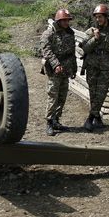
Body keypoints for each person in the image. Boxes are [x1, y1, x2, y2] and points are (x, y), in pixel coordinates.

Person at [40, 8, 78, 136]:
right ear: (59, 21)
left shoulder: (70, 33)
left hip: (66, 70)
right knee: (53, 96)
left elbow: (72, 53)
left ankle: (56, 120)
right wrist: (56, 64)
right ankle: (49, 122)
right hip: (54, 71)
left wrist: (74, 69)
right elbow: (46, 51)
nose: (67, 22)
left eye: (68, 20)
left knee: (62, 96)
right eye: (64, 20)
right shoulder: (48, 34)